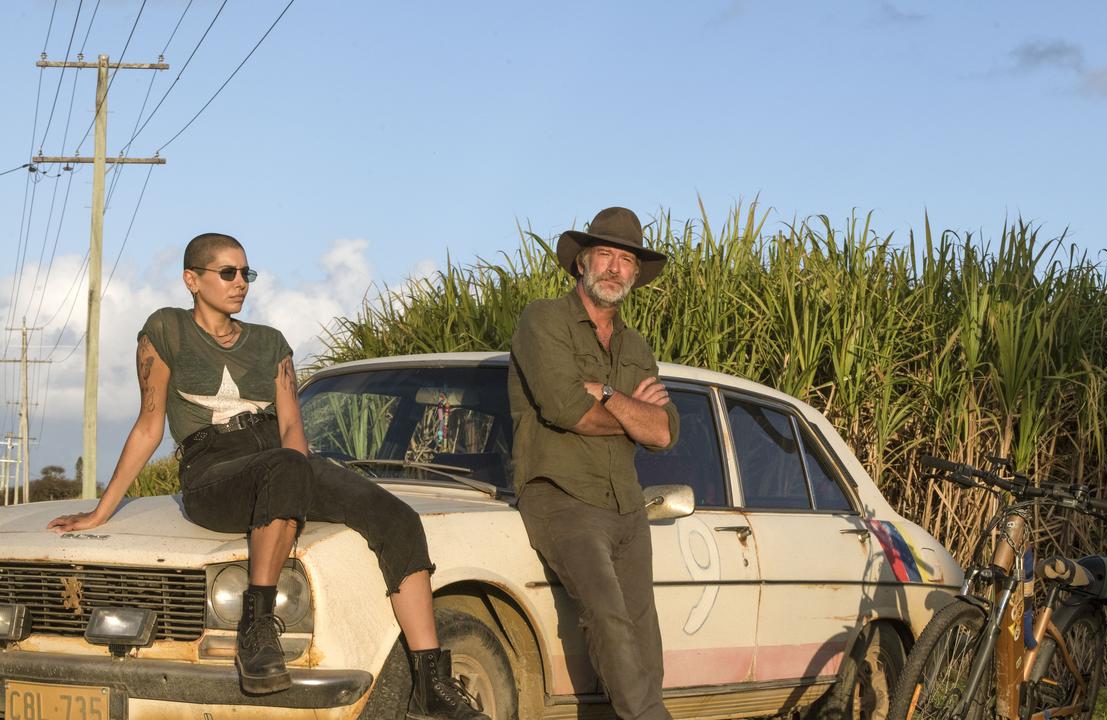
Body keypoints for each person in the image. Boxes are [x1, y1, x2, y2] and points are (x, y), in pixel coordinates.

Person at [48, 232, 487, 720]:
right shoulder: (166, 330)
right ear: (192, 280)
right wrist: (102, 510)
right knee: (283, 466)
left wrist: (301, 481)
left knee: (396, 516)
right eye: (228, 273)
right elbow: (150, 422)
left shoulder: (270, 342)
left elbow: (292, 424)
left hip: (279, 459)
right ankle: (256, 630)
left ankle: (430, 682)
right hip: (213, 467)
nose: (241, 284)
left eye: (247, 273)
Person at [508, 207, 680, 720]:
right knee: (610, 621)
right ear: (582, 263)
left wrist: (606, 392)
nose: (614, 267)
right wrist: (634, 410)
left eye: (626, 260)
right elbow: (567, 410)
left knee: (644, 635)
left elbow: (666, 431)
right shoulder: (544, 319)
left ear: (635, 274)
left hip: (627, 503)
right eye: (604, 254)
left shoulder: (635, 345)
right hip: (561, 496)